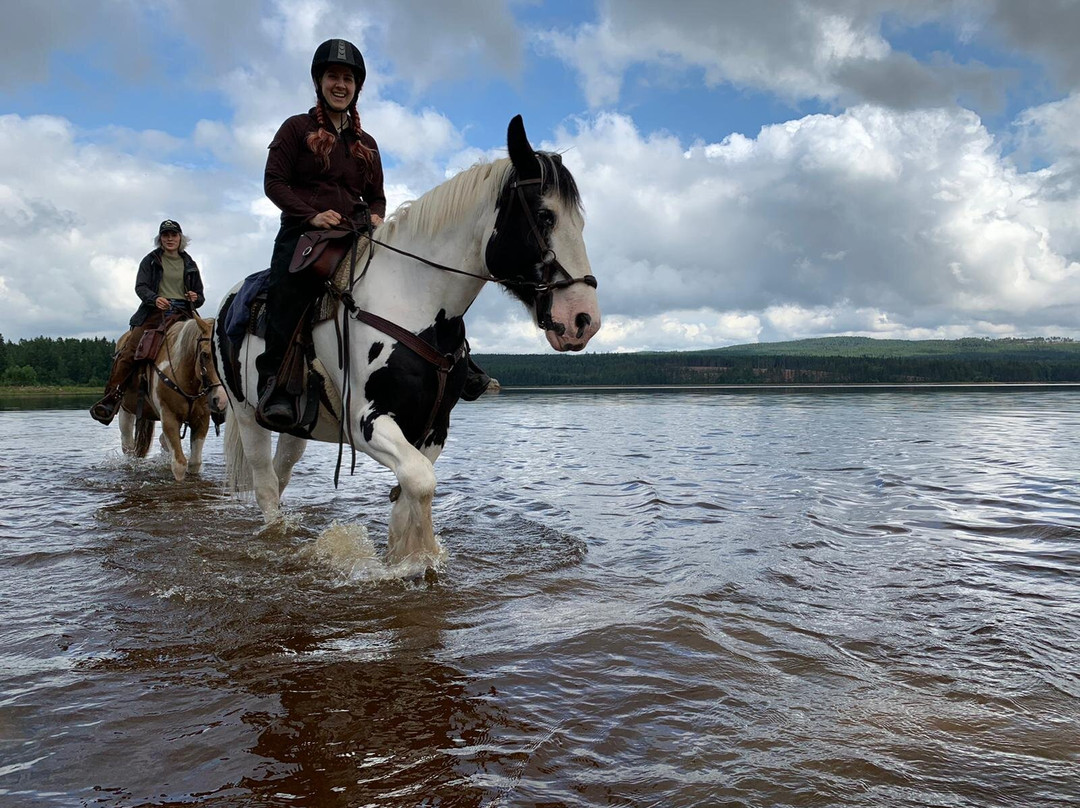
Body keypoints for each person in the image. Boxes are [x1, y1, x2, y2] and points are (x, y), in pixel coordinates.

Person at [256, 38, 491, 430]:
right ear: (320, 81)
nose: (340, 85)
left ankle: (458, 360)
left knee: (420, 284)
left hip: (358, 234)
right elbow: (274, 182)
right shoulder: (295, 129)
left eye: (348, 79)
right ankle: (276, 382)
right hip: (306, 235)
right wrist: (311, 215)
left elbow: (377, 197)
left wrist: (379, 218)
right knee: (290, 287)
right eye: (333, 76)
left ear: (356, 87)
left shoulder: (366, 144)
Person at [90, 220, 205, 425]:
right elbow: (140, 287)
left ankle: (212, 400)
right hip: (153, 312)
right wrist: (154, 299)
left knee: (206, 346)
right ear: (160, 239)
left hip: (183, 312)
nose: (170, 239)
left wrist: (195, 297)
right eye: (165, 235)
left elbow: (201, 296)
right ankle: (112, 398)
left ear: (181, 238)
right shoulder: (150, 261)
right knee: (129, 351)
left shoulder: (190, 264)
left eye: (174, 235)